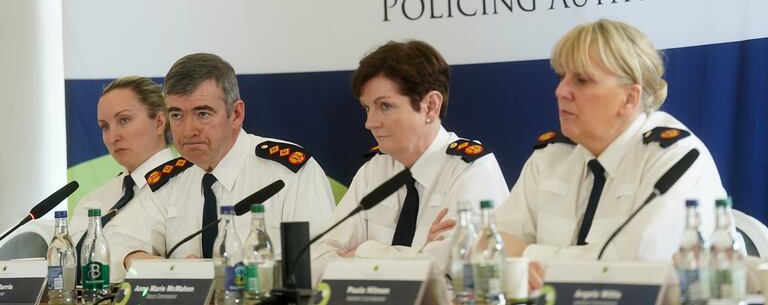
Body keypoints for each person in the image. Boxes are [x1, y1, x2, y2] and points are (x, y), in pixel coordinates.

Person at [494, 19, 727, 289]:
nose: (560, 91)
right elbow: (491, 246)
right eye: (561, 77)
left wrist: (527, 254)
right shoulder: (550, 156)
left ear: (629, 98)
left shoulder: (676, 159)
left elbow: (638, 270)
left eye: (581, 80)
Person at [110, 53, 335, 278]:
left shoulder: (288, 173)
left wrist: (229, 276)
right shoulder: (171, 179)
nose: (188, 130)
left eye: (203, 113)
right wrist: (171, 269)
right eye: (177, 115)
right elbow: (116, 244)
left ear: (236, 114)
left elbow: (319, 263)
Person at [312, 40, 509, 279]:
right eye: (367, 108)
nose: (370, 123)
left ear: (430, 106)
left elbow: (448, 270)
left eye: (385, 106)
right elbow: (316, 262)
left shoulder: (472, 170)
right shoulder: (373, 171)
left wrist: (362, 252)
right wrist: (418, 254)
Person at [69, 76, 174, 250]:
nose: (112, 137)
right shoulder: (94, 199)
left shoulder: (188, 188)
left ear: (159, 122)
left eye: (124, 120)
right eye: (104, 127)